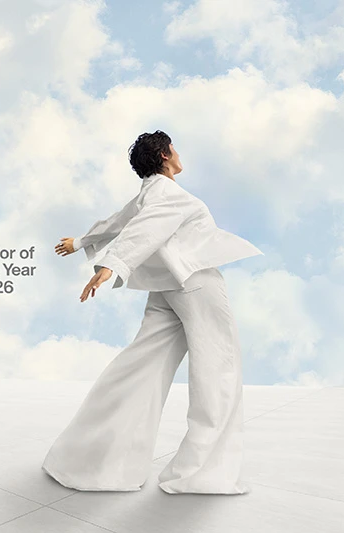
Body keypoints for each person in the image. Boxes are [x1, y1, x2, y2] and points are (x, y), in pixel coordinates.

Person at [42, 130, 262, 495]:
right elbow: (143, 230)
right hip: (195, 285)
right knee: (219, 372)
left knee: (139, 368)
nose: (179, 153)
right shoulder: (169, 193)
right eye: (174, 147)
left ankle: (88, 460)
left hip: (166, 291)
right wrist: (111, 265)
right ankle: (199, 474)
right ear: (164, 154)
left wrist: (82, 242)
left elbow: (119, 222)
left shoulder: (149, 192)